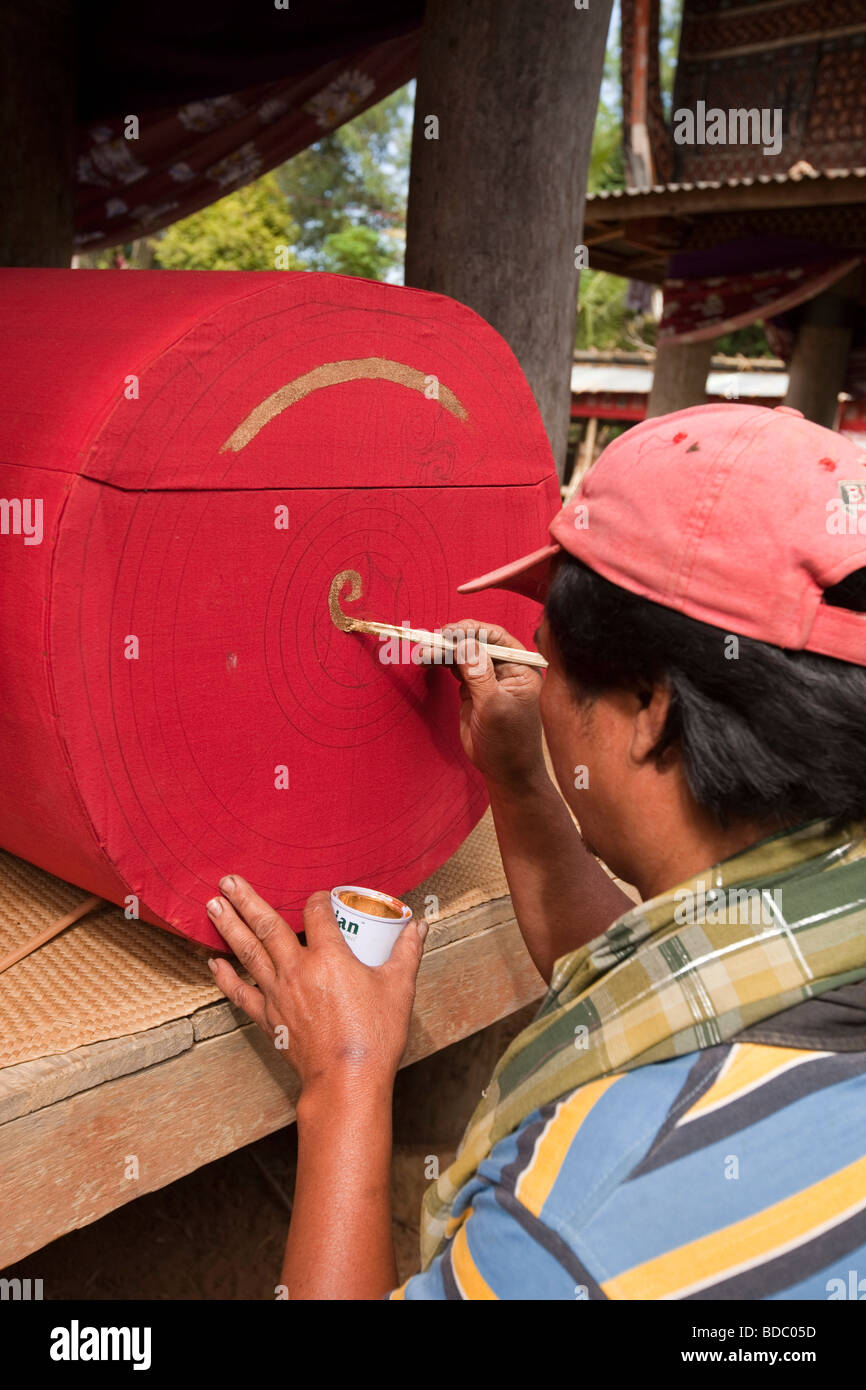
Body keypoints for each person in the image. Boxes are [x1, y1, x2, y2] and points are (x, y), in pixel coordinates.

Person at [206, 402, 866, 1300]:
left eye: (547, 662)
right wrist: (519, 781)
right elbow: (662, 986)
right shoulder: (823, 906)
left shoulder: (588, 1220)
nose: (534, 681)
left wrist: (346, 1081)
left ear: (651, 710)